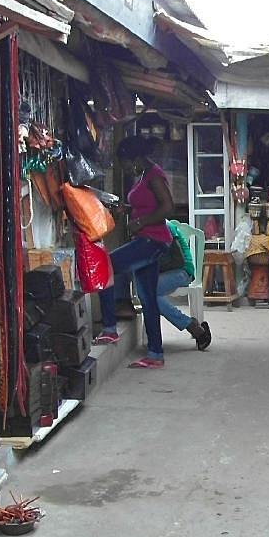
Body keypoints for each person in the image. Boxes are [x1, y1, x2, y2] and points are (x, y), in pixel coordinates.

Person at [93, 136, 174, 369]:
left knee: (106, 265)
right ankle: (155, 354)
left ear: (135, 158)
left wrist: (142, 222)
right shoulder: (145, 176)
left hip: (152, 240)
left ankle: (109, 328)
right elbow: (147, 206)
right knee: (148, 299)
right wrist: (127, 210)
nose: (126, 169)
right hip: (149, 240)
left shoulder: (154, 175)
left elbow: (167, 206)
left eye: (126, 164)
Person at [157, 219, 212, 349]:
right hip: (168, 272)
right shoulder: (151, 227)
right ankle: (191, 326)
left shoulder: (166, 227)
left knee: (148, 292)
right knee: (148, 293)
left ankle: (190, 325)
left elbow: (178, 260)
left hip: (182, 271)